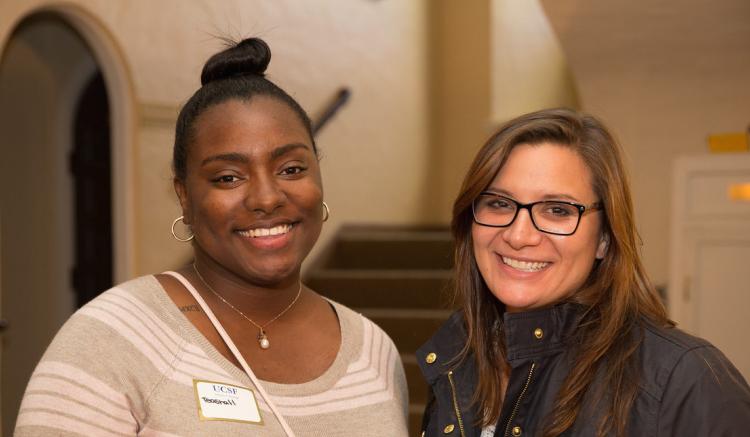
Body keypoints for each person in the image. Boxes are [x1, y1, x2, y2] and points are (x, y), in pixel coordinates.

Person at [16, 37, 408, 436]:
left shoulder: (374, 351)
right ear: (185, 198)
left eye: (291, 169)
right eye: (228, 177)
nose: (267, 198)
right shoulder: (109, 340)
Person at [417, 108, 750, 436]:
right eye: (499, 203)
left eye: (558, 210)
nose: (518, 236)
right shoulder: (456, 361)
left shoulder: (684, 380)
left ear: (604, 238)